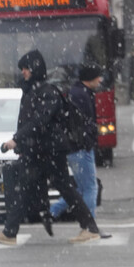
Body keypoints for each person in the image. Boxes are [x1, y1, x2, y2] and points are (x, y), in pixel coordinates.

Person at [0, 50, 101, 246]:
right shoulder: (33, 91)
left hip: (49, 151)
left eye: (26, 69)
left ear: (34, 69)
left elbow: (40, 121)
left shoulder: (47, 92)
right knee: (34, 187)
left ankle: (11, 232)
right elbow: (29, 122)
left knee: (58, 188)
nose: (23, 72)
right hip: (38, 150)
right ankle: (11, 231)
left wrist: (16, 139)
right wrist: (21, 143)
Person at [49, 65, 102, 219]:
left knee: (80, 188)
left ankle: (52, 211)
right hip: (80, 147)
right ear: (90, 78)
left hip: (74, 147)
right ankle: (89, 224)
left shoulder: (76, 92)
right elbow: (82, 122)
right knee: (91, 188)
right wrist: (89, 139)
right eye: (97, 77)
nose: (100, 80)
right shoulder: (81, 95)